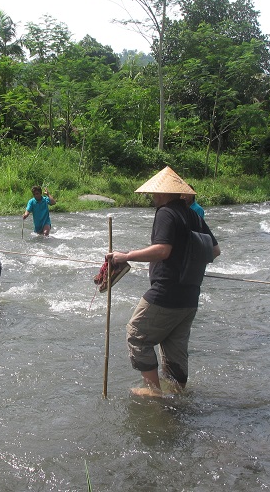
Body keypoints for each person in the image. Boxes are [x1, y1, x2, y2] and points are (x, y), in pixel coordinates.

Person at [106, 166, 220, 396]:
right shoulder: (193, 215)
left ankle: (153, 391)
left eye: (156, 193)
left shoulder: (166, 213)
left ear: (165, 194)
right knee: (174, 346)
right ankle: (177, 395)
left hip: (166, 292)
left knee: (136, 334)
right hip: (190, 295)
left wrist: (125, 256)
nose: (153, 197)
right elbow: (214, 250)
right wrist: (187, 261)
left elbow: (162, 250)